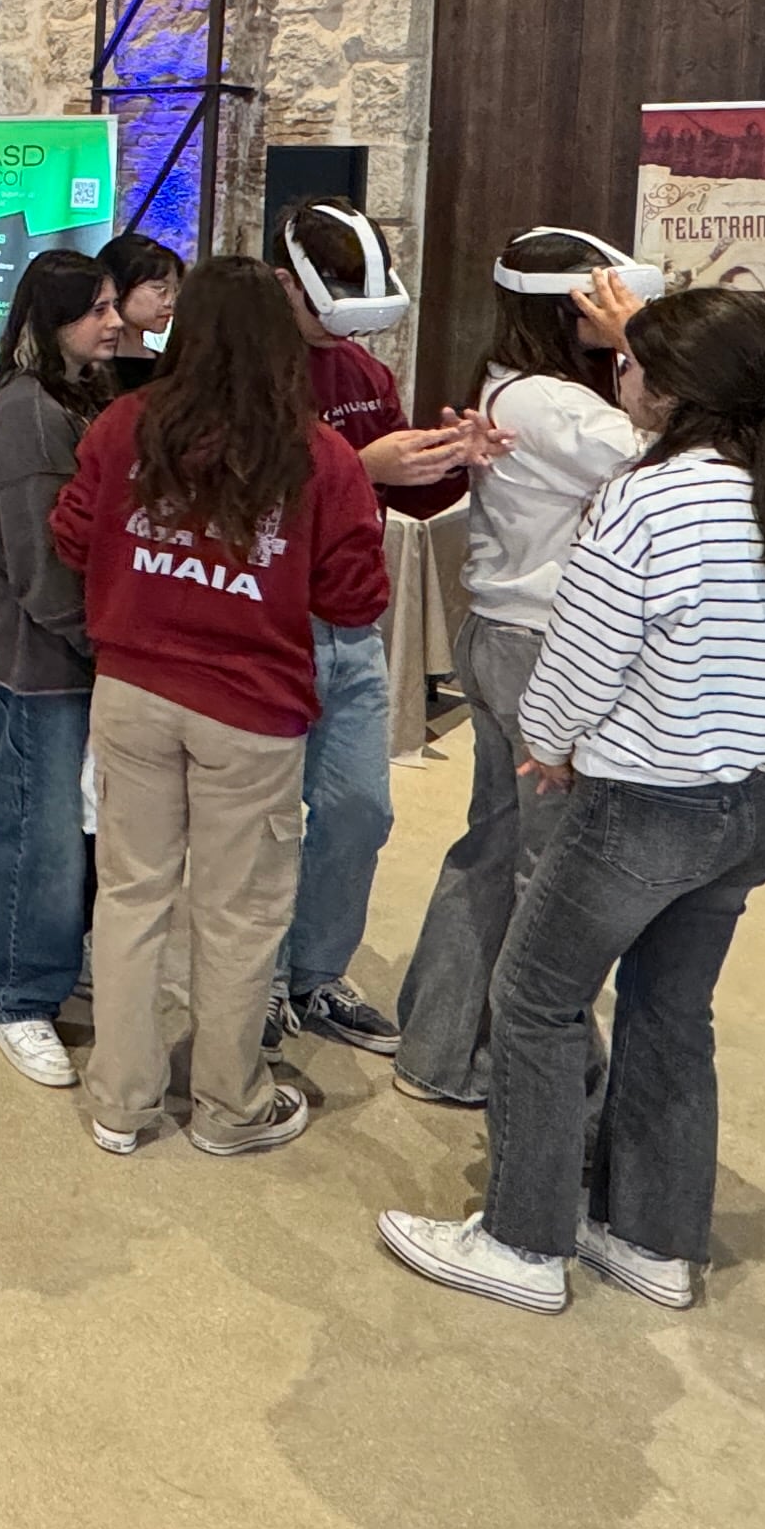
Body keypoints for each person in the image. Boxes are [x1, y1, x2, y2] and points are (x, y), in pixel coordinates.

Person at [377, 286, 765, 1313]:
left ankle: (522, 1239)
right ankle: (653, 1236)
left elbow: (587, 651)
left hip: (646, 800)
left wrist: (548, 745)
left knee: (535, 1000)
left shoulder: (651, 496)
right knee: (673, 1013)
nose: (618, 380)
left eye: (631, 366)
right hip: (755, 801)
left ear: (672, 387)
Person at [53, 255, 388, 1159]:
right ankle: (227, 1107)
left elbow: (74, 533)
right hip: (250, 710)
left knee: (130, 895)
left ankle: (120, 1103)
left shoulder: (126, 425)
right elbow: (354, 596)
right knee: (239, 915)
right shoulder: (317, 454)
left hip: (131, 690)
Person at [391, 229, 657, 1110]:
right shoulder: (550, 400)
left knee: (497, 850)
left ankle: (440, 1049)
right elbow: (675, 459)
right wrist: (639, 345)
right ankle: (551, 1082)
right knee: (553, 873)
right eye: (601, 303)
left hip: (509, 638)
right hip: (540, 647)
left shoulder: (521, 385)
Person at [271, 200, 494, 1058]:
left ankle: (316, 970)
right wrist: (360, 465)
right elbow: (240, 494)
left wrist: (447, 459)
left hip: (352, 627)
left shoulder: (365, 375)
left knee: (360, 810)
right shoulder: (250, 371)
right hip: (270, 627)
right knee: (258, 823)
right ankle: (254, 983)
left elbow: (399, 498)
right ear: (288, 286)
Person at [0, 248, 120, 1088]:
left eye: (112, 305)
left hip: (73, 659)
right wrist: (104, 644)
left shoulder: (78, 400)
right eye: (96, 308)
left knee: (68, 834)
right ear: (53, 319)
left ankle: (48, 961)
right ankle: (14, 996)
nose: (115, 320)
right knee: (36, 835)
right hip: (37, 662)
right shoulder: (28, 414)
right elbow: (42, 565)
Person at [98, 233, 185, 398]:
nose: (170, 302)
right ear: (119, 286)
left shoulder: (169, 367)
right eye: (160, 289)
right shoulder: (91, 368)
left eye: (175, 291)